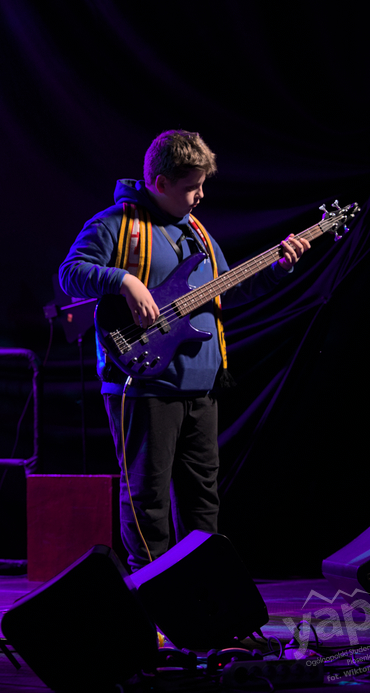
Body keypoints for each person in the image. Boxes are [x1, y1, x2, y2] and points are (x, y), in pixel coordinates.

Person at [58, 129, 311, 571]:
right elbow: (70, 273)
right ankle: (153, 595)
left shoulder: (196, 230)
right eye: (192, 187)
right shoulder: (116, 224)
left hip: (200, 387)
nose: (201, 196)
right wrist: (124, 280)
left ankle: (203, 591)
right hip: (143, 385)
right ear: (160, 183)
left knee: (202, 501)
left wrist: (277, 267)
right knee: (147, 498)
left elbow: (229, 289)